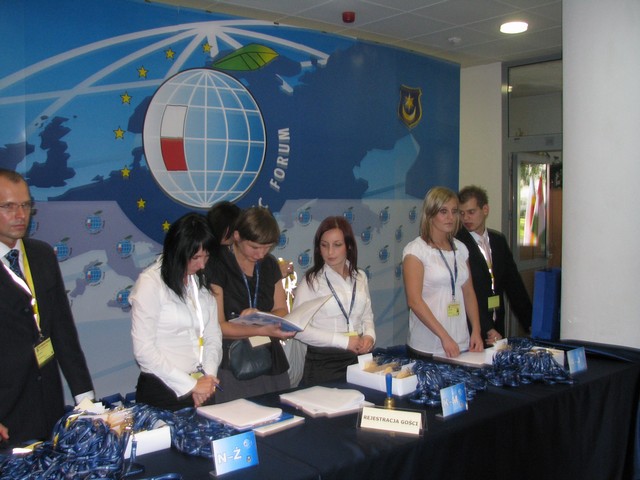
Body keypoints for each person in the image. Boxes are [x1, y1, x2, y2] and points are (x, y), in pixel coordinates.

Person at [0, 169, 94, 446]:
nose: (20, 215)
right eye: (8, 207)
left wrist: (85, 398)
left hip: (48, 404)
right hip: (6, 411)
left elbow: (63, 331)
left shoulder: (41, 255)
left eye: (25, 205)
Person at [130, 213, 223, 411]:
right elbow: (144, 350)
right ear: (177, 251)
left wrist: (208, 378)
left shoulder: (200, 280)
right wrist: (190, 385)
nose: (202, 265)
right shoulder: (150, 283)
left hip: (202, 386)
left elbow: (213, 336)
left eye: (206, 256)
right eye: (196, 257)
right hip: (163, 389)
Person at [207, 206, 295, 402]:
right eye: (255, 247)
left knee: (279, 414)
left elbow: (282, 310)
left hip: (271, 360)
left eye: (267, 247)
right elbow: (218, 327)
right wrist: (261, 329)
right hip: (233, 362)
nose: (261, 254)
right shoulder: (218, 264)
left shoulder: (269, 264)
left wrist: (262, 318)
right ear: (237, 236)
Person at [293, 216, 375, 385]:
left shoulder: (360, 276)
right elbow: (297, 329)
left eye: (337, 245)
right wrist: (343, 341)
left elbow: (367, 316)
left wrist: (369, 335)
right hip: (325, 363)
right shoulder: (311, 281)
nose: (330, 252)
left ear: (349, 246)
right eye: (324, 245)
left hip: (359, 359)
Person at [402, 186, 483, 358]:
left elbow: (469, 292)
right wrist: (444, 337)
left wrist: (476, 330)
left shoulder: (461, 248)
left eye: (454, 211)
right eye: (443, 211)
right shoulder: (416, 250)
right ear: (430, 214)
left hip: (460, 342)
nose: (450, 217)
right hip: (428, 345)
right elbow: (414, 301)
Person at [456, 185, 532, 345]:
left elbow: (514, 284)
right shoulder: (457, 243)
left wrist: (529, 321)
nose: (466, 218)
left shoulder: (498, 240)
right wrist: (487, 328)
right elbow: (464, 294)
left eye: (471, 212)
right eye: (462, 213)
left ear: (485, 210)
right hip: (471, 327)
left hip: (497, 319)